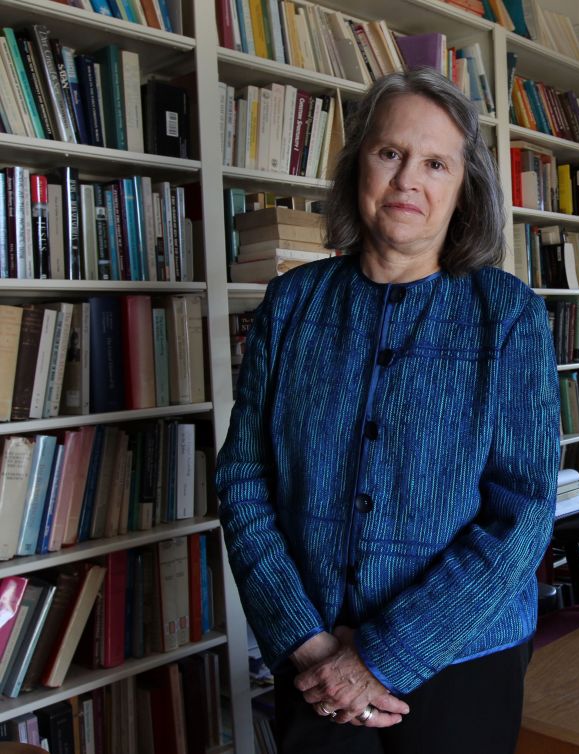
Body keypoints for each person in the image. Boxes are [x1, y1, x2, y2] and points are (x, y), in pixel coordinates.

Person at [215, 69, 560, 754]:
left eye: (436, 162)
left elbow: (521, 513)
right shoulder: (290, 304)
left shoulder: (509, 314)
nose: (409, 179)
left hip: (466, 659)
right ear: (357, 167)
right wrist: (306, 642)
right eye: (390, 153)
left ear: (464, 189)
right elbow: (243, 482)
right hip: (312, 662)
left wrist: (377, 657)